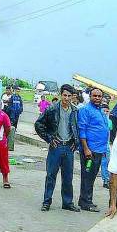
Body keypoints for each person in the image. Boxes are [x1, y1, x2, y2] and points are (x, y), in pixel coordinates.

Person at [35, 84, 80, 212]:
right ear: (61, 95)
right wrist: (49, 139)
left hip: (69, 148)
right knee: (51, 175)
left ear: (73, 97)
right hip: (56, 146)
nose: (66, 98)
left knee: (68, 177)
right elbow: (39, 124)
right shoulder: (52, 109)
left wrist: (75, 143)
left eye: (69, 96)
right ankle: (47, 201)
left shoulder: (75, 111)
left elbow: (79, 128)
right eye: (64, 95)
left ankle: (67, 202)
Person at [77, 87, 110, 212]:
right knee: (87, 176)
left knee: (92, 176)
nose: (97, 98)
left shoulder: (100, 110)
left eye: (99, 96)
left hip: (100, 150)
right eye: (94, 96)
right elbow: (82, 131)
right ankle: (85, 202)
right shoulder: (85, 110)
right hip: (90, 151)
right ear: (90, 97)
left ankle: (86, 199)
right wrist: (86, 149)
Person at [5, 86, 23, 151]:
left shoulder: (19, 98)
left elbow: (21, 105)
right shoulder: (12, 97)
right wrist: (11, 111)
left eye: (18, 91)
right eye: (16, 90)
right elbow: (10, 105)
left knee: (15, 125)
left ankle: (13, 136)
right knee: (11, 125)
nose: (17, 92)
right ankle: (10, 138)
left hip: (17, 113)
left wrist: (20, 110)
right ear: (15, 91)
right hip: (12, 114)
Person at [100, 104, 112, 188]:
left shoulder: (109, 121)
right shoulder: (98, 120)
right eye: (104, 111)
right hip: (98, 144)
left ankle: (106, 180)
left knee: (106, 162)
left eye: (107, 111)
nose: (105, 112)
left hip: (106, 145)